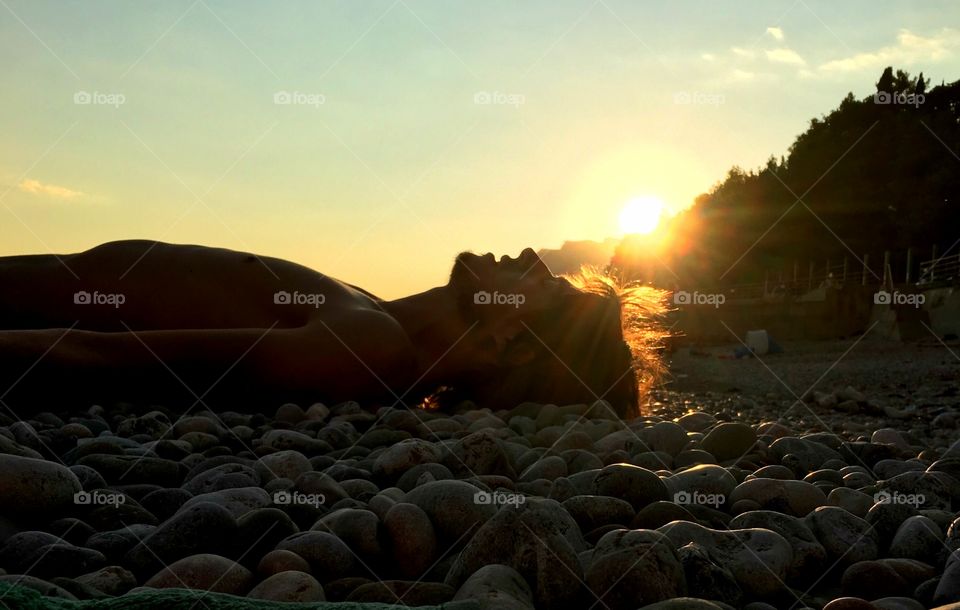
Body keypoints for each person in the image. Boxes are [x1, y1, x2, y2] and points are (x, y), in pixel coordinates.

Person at [0, 240, 652, 416]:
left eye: (545, 286)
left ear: (510, 342)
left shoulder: (369, 349)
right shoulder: (371, 313)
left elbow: (104, 360)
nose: (534, 260)